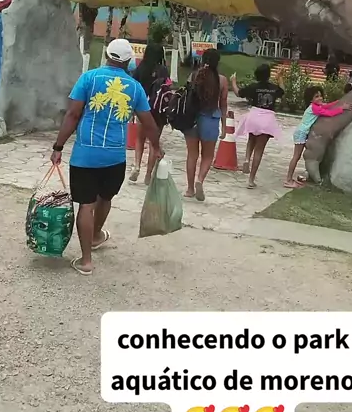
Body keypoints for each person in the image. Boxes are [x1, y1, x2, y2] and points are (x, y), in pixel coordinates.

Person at [50, 38, 161, 276]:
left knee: (86, 205)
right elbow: (149, 122)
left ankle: (86, 261)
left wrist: (58, 146)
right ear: (129, 61)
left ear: (107, 55)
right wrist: (156, 147)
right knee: (106, 197)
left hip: (85, 155)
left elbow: (72, 115)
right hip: (115, 157)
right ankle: (96, 235)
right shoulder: (135, 88)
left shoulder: (88, 78)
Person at [284, 84, 352, 188]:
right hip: (301, 133)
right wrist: (342, 108)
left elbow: (327, 105)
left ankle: (290, 179)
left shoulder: (316, 106)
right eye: (316, 96)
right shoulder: (314, 108)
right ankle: (288, 180)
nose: (320, 98)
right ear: (311, 99)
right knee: (296, 156)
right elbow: (329, 113)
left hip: (302, 132)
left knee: (297, 156)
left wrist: (338, 102)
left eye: (320, 95)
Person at [184, 48, 228, 201]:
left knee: (192, 155)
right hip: (210, 119)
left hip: (192, 120)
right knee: (207, 156)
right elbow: (223, 104)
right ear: (217, 62)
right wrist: (224, 125)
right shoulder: (222, 80)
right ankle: (200, 180)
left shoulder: (194, 76)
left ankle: (190, 189)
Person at [231, 64, 284, 189]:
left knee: (251, 139)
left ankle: (247, 159)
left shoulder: (254, 87)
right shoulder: (273, 88)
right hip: (267, 119)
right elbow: (282, 91)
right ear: (269, 75)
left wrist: (233, 81)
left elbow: (238, 93)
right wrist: (280, 78)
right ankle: (251, 180)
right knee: (259, 150)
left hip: (254, 116)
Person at [129, 42, 166, 183]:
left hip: (142, 108)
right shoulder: (163, 70)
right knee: (153, 142)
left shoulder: (141, 68)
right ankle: (148, 175)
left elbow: (133, 87)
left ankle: (137, 166)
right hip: (158, 110)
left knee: (140, 139)